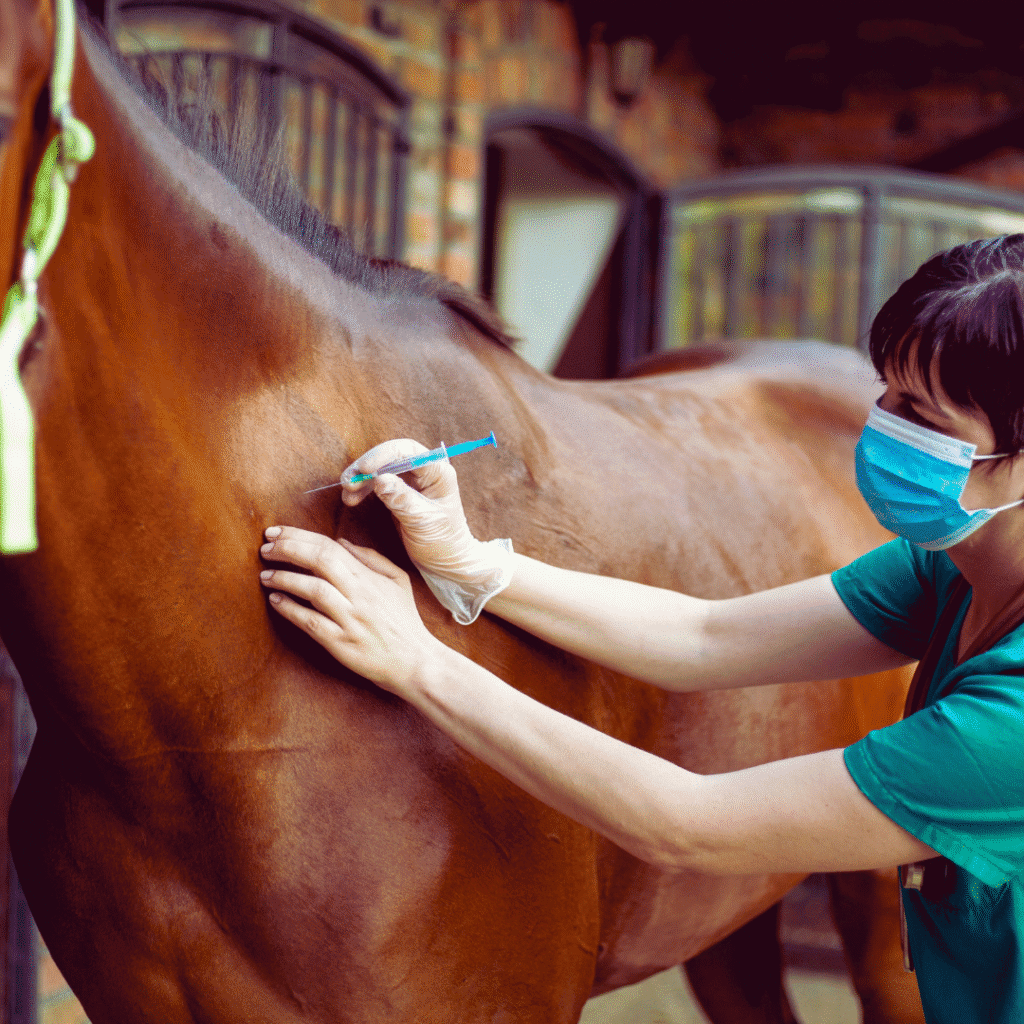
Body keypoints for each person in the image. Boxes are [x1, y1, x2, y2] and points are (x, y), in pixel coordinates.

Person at [258, 235, 1024, 1024]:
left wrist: (418, 662)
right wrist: (472, 562)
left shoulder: (1012, 723)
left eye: (923, 416)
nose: (882, 426)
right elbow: (705, 638)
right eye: (887, 391)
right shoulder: (956, 566)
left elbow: (689, 823)